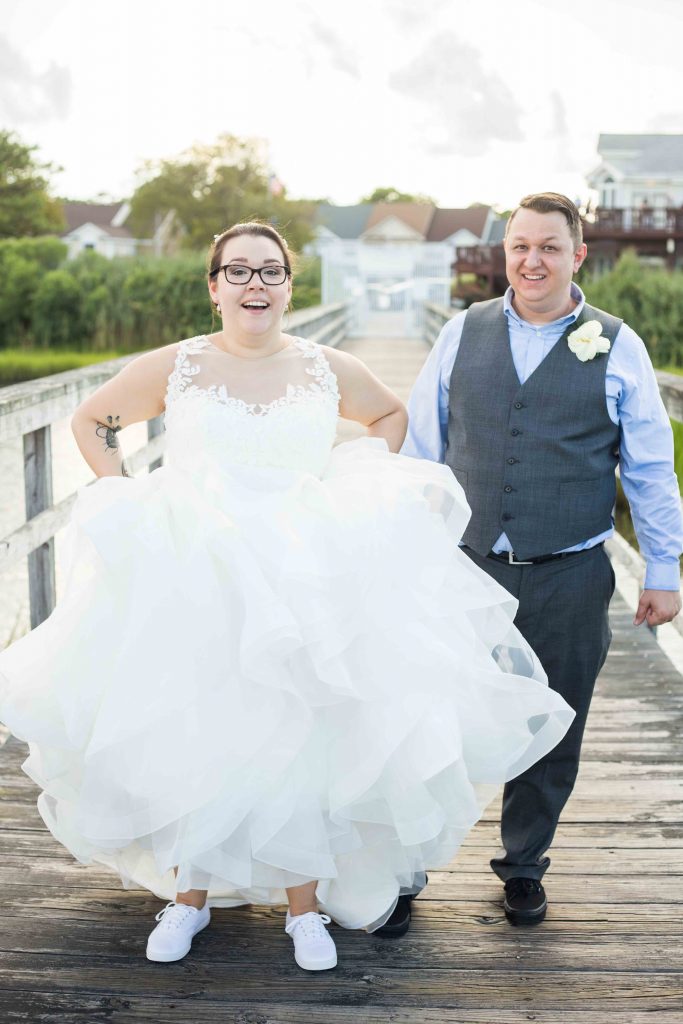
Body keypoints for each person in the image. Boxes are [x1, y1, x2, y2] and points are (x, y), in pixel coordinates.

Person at [0, 221, 574, 970]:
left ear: (288, 287)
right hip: (203, 571)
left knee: (305, 727)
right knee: (202, 723)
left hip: (304, 571)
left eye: (270, 272)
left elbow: (389, 416)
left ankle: (304, 911)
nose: (255, 286)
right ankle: (188, 897)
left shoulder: (324, 365)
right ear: (213, 288)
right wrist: (135, 497)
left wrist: (352, 483)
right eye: (237, 272)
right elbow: (93, 420)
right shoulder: (180, 365)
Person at [402, 192, 683, 930]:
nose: (532, 260)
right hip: (464, 569)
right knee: (433, 720)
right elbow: (419, 453)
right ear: (505, 253)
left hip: (570, 570)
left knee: (553, 723)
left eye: (549, 247)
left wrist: (661, 569)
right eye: (519, 246)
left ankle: (522, 865)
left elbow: (650, 469)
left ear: (577, 255)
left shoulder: (616, 344)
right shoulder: (462, 334)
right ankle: (402, 868)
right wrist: (400, 551)